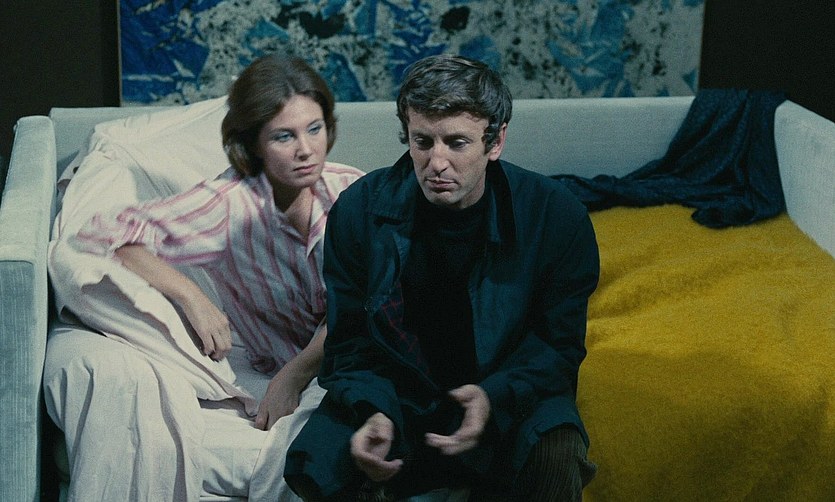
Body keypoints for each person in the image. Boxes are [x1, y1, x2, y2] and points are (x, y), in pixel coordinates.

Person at [284, 54, 600, 501]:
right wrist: (375, 410)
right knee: (316, 464)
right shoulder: (359, 211)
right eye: (423, 141)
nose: (436, 162)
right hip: (398, 393)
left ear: (495, 142)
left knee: (555, 454)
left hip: (507, 390)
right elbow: (349, 341)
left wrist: (493, 397)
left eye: (456, 142)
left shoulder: (556, 216)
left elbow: (558, 346)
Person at [73, 53, 363, 429]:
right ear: (253, 143)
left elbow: (365, 302)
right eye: (284, 136)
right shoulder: (228, 206)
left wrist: (293, 377)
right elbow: (107, 232)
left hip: (368, 355)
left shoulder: (353, 189)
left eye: (314, 129)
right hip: (313, 373)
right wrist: (191, 296)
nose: (306, 150)